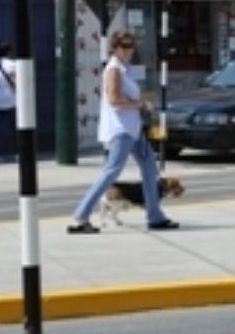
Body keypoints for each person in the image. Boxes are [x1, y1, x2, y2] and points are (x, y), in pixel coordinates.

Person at [67, 28, 177, 235]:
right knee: (112, 171)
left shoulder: (125, 68)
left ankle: (155, 216)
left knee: (149, 168)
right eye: (124, 46)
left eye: (131, 46)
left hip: (132, 128)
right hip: (121, 130)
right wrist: (140, 104)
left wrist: (140, 104)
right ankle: (80, 217)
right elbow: (114, 100)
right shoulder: (114, 69)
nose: (129, 50)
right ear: (115, 48)